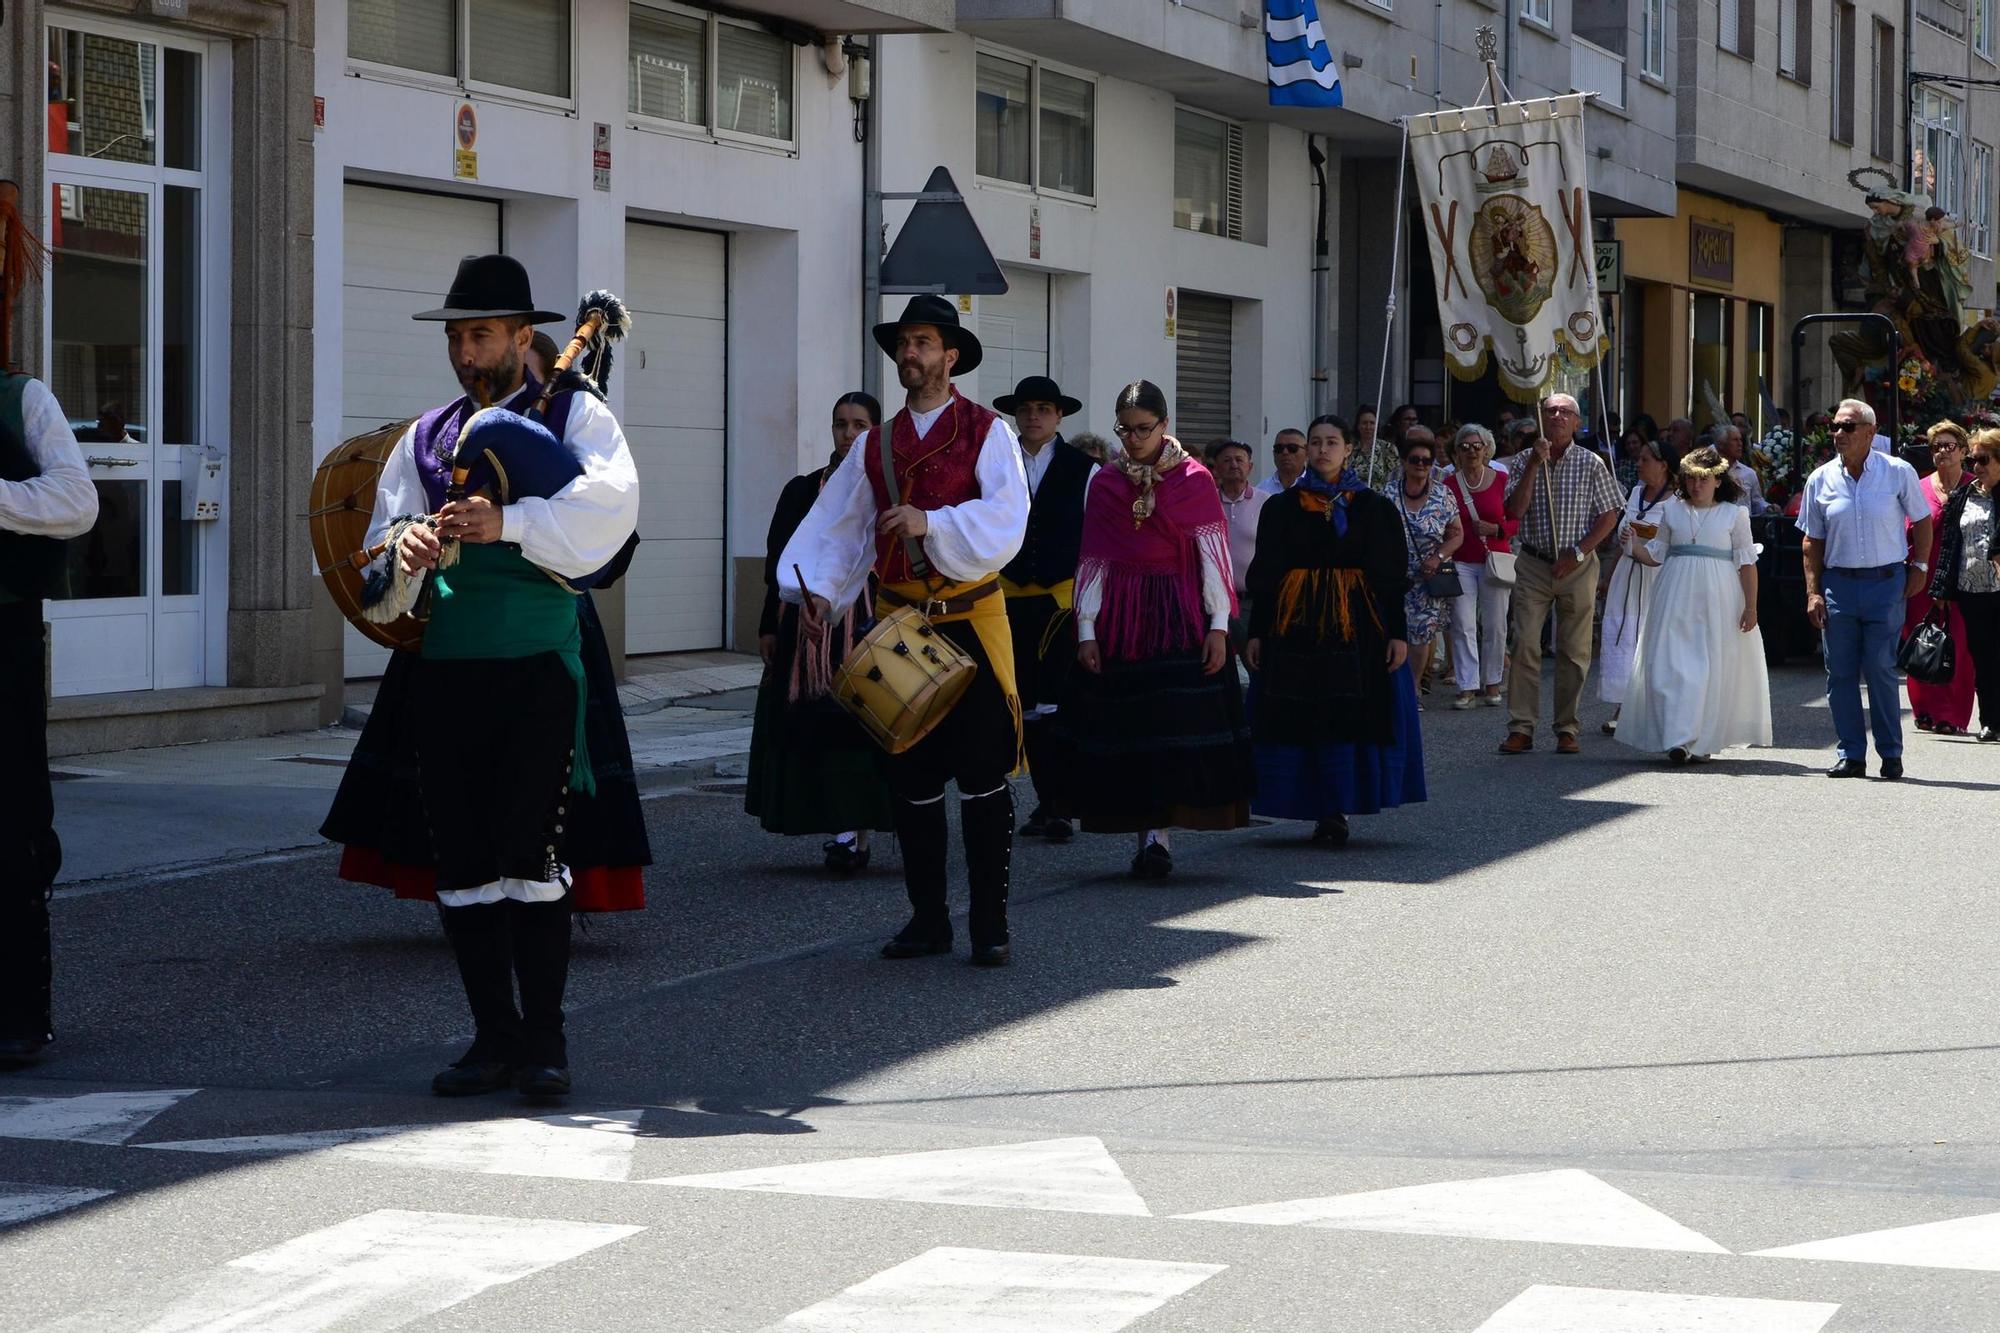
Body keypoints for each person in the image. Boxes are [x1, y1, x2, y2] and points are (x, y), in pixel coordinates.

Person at [320, 254, 648, 1099]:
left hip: (539, 667)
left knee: (529, 853)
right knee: (462, 860)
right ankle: (491, 1038)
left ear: (520, 337)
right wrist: (407, 551)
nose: (468, 353)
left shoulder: (576, 415)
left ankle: (546, 1042)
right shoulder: (427, 436)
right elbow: (377, 554)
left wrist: (511, 521)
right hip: (444, 671)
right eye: (459, 337)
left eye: (483, 335)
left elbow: (611, 515)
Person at [778, 294, 1029, 965]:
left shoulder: (989, 431)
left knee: (981, 775)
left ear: (951, 356)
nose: (910, 354)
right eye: (904, 343)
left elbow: (1008, 523)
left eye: (923, 342)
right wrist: (820, 592)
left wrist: (934, 524)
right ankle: (928, 920)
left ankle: (990, 924)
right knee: (910, 778)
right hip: (896, 623)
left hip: (970, 619)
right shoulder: (874, 443)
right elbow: (843, 527)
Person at [1054, 380, 1253, 878]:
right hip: (1123, 617)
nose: (1134, 438)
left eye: (1145, 429)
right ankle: (1148, 837)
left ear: (1165, 426)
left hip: (1179, 612)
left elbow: (1213, 557)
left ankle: (1162, 835)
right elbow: (1093, 559)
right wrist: (1086, 629)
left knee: (1174, 726)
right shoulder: (1104, 482)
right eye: (1126, 429)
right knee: (1133, 728)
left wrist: (1218, 625)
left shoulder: (1194, 478)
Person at [0, 179, 99, 1067]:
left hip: (0, 642)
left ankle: (21, 1011)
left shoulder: (22, 397)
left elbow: (76, 499)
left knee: (11, 822)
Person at [1245, 414, 1423, 844]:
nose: (1323, 449)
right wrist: (1256, 631)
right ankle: (1310, 802)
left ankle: (1339, 804)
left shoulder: (1374, 507)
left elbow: (1391, 578)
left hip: (1356, 627)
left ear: (1347, 450)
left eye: (1332, 442)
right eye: (1316, 442)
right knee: (1299, 711)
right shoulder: (1281, 507)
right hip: (1295, 626)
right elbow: (1266, 573)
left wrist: (1397, 633)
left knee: (1348, 712)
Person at [746, 391, 896, 872]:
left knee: (863, 729)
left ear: (874, 431)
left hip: (869, 625)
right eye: (840, 424)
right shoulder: (801, 490)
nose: (849, 434)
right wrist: (769, 624)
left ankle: (859, 830)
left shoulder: (889, 489)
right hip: (806, 628)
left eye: (859, 425)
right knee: (816, 727)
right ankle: (842, 830)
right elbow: (779, 565)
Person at [1799, 397, 1932, 779]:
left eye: (1848, 427)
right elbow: (1812, 541)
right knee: (1839, 673)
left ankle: (1890, 753)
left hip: (1885, 582)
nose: (1838, 433)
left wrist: (1920, 565)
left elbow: (1921, 520)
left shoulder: (1897, 471)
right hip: (1839, 584)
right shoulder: (1820, 478)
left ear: (1871, 433)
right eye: (1835, 426)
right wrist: (1813, 591)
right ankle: (1851, 754)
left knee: (1879, 667)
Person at [1615, 446, 1772, 763]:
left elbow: (1747, 564)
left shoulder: (1734, 515)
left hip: (1718, 596)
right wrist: (1632, 547)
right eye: (1690, 479)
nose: (1696, 486)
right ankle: (1678, 738)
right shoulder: (1673, 511)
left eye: (1703, 479)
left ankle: (1698, 739)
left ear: (1717, 481)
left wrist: (1751, 607)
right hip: (1674, 594)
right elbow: (1656, 554)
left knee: (1707, 667)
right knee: (1670, 664)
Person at [993, 374, 1096, 842]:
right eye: (1026, 408)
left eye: (1043, 409)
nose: (1033, 416)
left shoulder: (1085, 469)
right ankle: (1045, 800)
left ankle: (1061, 803)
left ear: (1058, 416)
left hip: (1060, 602)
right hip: (1008, 600)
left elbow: (1097, 538)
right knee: (1025, 705)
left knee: (1058, 703)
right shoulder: (996, 461)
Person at [1498, 392, 1624, 755]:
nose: (1555, 417)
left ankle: (1567, 727)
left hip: (1578, 564)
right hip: (1535, 562)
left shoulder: (1591, 463)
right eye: (1550, 411)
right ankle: (1521, 726)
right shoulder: (1523, 460)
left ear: (1576, 422)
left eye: (1564, 412)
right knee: (1525, 644)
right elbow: (1514, 511)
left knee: (1573, 650)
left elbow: (1608, 515)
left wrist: (1580, 550)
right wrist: (1535, 466)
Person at [1598, 434, 1677, 732]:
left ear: (1664, 466)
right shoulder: (1634, 493)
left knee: (1651, 638)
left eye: (1646, 459)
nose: (1639, 464)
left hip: (1657, 576)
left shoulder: (1678, 500)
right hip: (1627, 575)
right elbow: (1623, 538)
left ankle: (1653, 708)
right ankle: (1623, 706)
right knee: (1625, 635)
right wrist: (1608, 577)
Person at [1927, 427, 2000, 742]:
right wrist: (1941, 589)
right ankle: (1991, 721)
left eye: (1984, 459)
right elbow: (1950, 545)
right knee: (1982, 657)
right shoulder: (1965, 495)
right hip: (1972, 590)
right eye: (1974, 459)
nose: (1977, 466)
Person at [1905, 420, 1977, 736]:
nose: (1941, 452)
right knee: (1921, 639)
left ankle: (1952, 715)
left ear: (1963, 451)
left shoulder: (1977, 487)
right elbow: (1906, 530)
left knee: (1960, 646)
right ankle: (1924, 709)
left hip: (1963, 578)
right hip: (1922, 576)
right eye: (1936, 447)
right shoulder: (1918, 488)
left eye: (1948, 446)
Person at [1443, 423, 1516, 709]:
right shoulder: (1447, 484)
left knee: (1496, 624)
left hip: (1494, 559)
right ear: (1457, 452)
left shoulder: (1502, 479)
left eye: (1477, 446)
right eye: (1464, 446)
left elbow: (1515, 519)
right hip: (1460, 559)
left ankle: (1493, 681)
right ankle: (1466, 685)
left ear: (1487, 449)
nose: (1471, 451)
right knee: (1462, 623)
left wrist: (1497, 529)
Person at [1387, 427, 1463, 703]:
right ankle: (1395, 687)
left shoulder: (1443, 495)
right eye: (1415, 459)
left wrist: (1438, 556)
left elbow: (1457, 533)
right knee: (1395, 632)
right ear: (1405, 462)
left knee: (1421, 636)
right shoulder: (1388, 494)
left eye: (1427, 461)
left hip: (1428, 577)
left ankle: (1414, 687)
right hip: (1395, 577)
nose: (1421, 465)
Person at [1210, 438, 1268, 652]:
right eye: (1226, 460)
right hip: (1213, 603)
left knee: (1256, 664)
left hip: (1250, 604)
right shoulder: (1206, 503)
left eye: (1239, 460)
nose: (1234, 464)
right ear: (1216, 468)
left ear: (1250, 466)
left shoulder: (1266, 502)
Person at [1715, 424, 1769, 515]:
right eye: (1735, 440)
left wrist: (1768, 507)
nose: (1740, 444)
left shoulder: (1749, 473)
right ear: (1721, 444)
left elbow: (1757, 502)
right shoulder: (1709, 472)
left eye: (1740, 440)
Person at [1257, 427, 1307, 494]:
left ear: (1307, 453)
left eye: (1292, 448)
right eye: (1279, 448)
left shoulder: (1318, 488)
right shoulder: (1261, 491)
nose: (1285, 452)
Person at [1612, 427, 1648, 491]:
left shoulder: (1650, 464)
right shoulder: (1619, 466)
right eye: (1628, 444)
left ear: (1642, 443)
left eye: (1634, 442)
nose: (1631, 446)